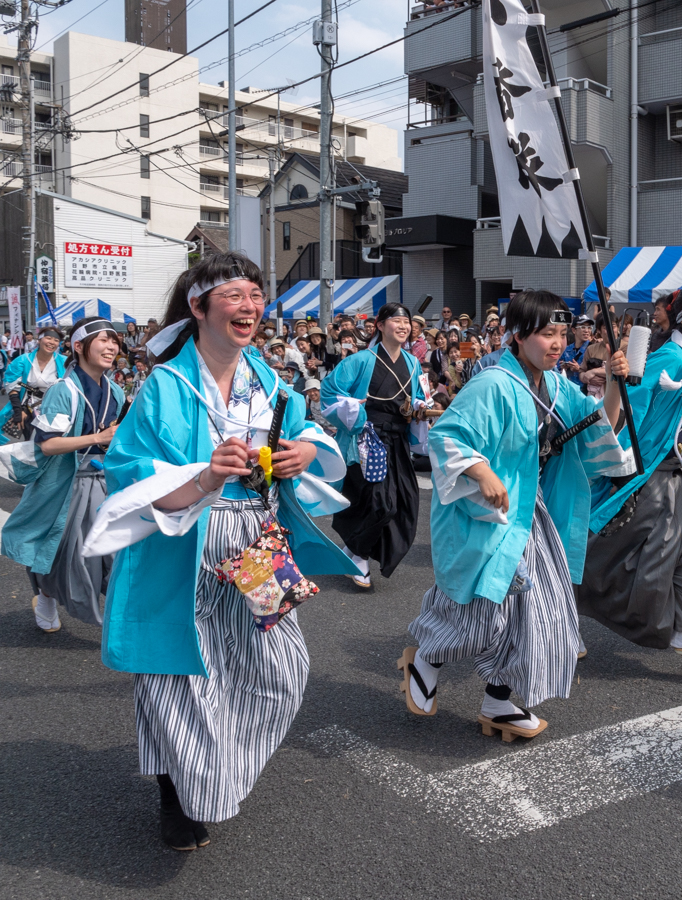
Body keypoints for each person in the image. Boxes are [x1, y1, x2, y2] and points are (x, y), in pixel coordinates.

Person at [83, 252, 355, 851]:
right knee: (179, 673)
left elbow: (305, 427)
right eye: (235, 295)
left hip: (257, 540)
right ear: (199, 307)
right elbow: (127, 472)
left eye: (256, 295)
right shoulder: (165, 386)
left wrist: (304, 452)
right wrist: (205, 477)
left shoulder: (267, 376)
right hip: (184, 541)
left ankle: (209, 774)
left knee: (279, 667)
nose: (251, 306)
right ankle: (177, 794)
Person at [401, 291, 633, 739]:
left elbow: (596, 429)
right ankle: (426, 657)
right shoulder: (493, 384)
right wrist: (481, 470)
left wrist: (617, 385)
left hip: (531, 514)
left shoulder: (559, 386)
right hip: (491, 513)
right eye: (548, 333)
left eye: (563, 334)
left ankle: (499, 699)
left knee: (537, 613)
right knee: (482, 609)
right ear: (520, 334)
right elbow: (448, 435)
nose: (558, 343)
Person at [578, 284, 682, 660]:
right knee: (633, 555)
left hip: (680, 468)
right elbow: (630, 405)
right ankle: (561, 609)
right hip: (654, 471)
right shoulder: (672, 357)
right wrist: (620, 459)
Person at [0, 318, 125, 633]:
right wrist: (98, 438)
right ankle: (45, 595)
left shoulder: (117, 393)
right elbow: (50, 444)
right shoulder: (63, 390)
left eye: (115, 342)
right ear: (79, 347)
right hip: (66, 483)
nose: (112, 347)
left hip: (103, 481)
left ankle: (124, 619)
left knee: (113, 551)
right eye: (104, 341)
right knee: (58, 549)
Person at [321, 303, 428, 589]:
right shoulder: (360, 360)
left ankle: (355, 549)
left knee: (404, 502)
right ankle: (358, 554)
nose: (404, 326)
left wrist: (418, 404)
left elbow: (418, 395)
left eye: (407, 321)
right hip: (367, 438)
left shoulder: (413, 362)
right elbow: (330, 391)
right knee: (380, 502)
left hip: (397, 439)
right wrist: (351, 407)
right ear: (380, 326)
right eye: (396, 320)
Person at [2, 327, 67, 442]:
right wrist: (18, 411)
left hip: (55, 408)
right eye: (48, 338)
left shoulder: (64, 361)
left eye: (56, 340)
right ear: (39, 340)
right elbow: (13, 386)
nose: (52, 342)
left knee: (52, 442)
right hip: (30, 408)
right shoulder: (23, 360)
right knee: (32, 442)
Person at [559, 315, 593, 386]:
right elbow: (555, 368)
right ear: (574, 330)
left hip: (587, 392)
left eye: (589, 327)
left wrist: (579, 369)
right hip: (569, 390)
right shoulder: (566, 350)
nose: (586, 331)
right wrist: (562, 366)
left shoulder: (593, 349)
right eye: (582, 327)